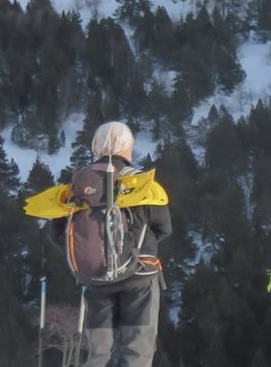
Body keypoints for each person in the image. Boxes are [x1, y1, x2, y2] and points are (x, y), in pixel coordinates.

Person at [30, 122, 173, 367]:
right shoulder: (143, 185)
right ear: (129, 149)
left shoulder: (76, 189)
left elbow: (58, 235)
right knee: (137, 353)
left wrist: (92, 253)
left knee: (98, 354)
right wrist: (132, 252)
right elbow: (164, 229)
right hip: (141, 278)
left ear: (95, 148)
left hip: (96, 278)